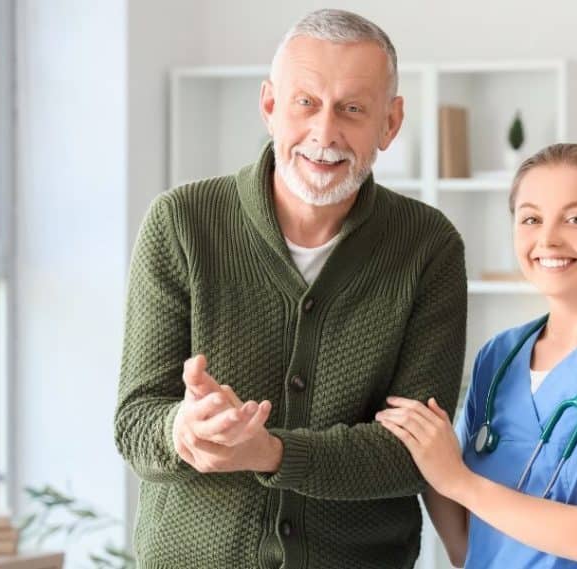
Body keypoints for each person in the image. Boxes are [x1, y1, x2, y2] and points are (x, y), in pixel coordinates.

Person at [113, 9, 468, 569]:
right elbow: (135, 423)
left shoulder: (427, 247)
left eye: (353, 109)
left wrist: (270, 451)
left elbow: (412, 453)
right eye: (306, 102)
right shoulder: (181, 223)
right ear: (270, 105)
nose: (325, 133)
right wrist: (182, 429)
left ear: (390, 123)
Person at [377, 143, 577, 568]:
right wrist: (420, 449)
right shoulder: (498, 358)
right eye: (531, 218)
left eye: (576, 219)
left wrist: (457, 481)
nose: (548, 238)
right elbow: (467, 548)